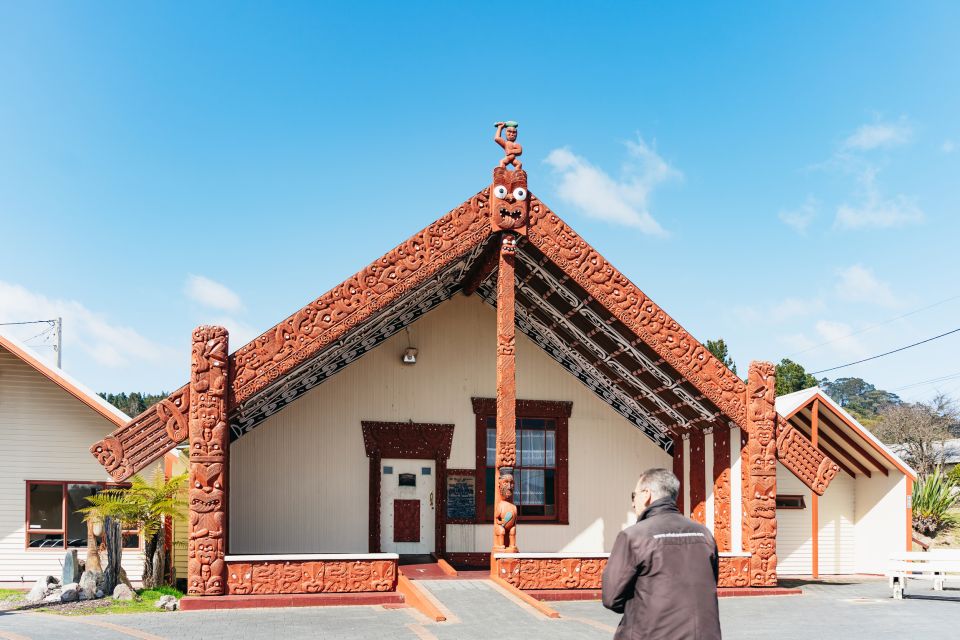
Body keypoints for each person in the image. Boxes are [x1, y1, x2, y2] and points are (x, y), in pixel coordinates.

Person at [601, 468, 721, 640]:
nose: (633, 503)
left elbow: (611, 598)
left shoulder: (634, 536)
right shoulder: (704, 534)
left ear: (646, 494)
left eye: (633, 496)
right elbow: (710, 582)